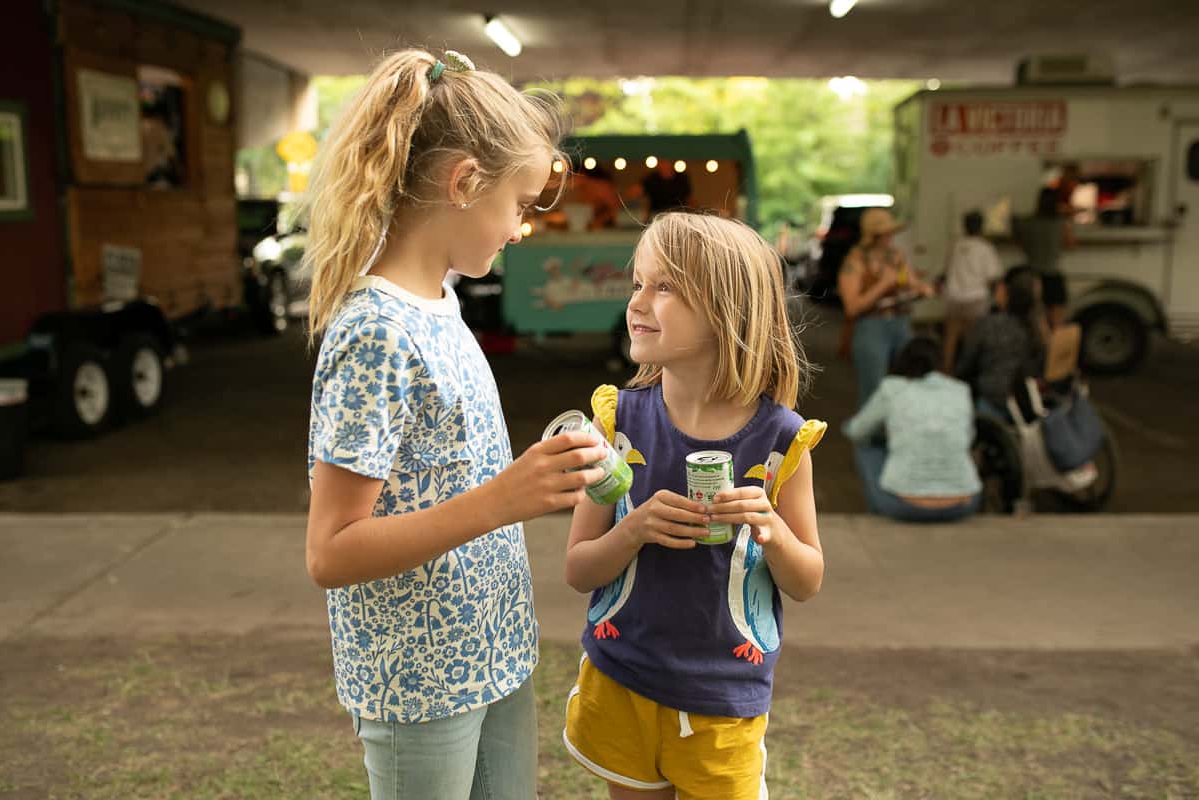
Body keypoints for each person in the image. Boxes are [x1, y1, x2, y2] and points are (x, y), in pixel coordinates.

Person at [302, 48, 612, 800]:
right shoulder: (376, 330)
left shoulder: (442, 302)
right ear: (464, 183)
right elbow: (331, 552)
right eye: (518, 205)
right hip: (420, 679)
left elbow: (444, 470)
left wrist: (540, 468)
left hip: (493, 647)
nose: (519, 230)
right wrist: (504, 498)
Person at [561, 212, 827, 800]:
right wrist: (632, 530)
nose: (637, 302)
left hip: (723, 700)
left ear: (726, 312)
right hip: (622, 681)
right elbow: (578, 569)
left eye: (664, 287)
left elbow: (807, 581)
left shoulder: (784, 443)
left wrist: (773, 531)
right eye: (637, 283)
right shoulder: (616, 425)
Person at [843, 337, 981, 522]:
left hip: (902, 506)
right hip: (963, 504)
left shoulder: (892, 388)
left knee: (865, 446)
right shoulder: (960, 390)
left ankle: (875, 511)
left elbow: (857, 431)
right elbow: (969, 437)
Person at [838, 207, 934, 408]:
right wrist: (883, 284)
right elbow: (852, 307)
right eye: (885, 233)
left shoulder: (895, 256)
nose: (890, 237)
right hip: (871, 327)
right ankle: (867, 438)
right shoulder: (855, 261)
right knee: (873, 391)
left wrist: (921, 288)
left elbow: (911, 281)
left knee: (909, 383)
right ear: (873, 235)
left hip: (900, 323)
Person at [956, 266, 1047, 419]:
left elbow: (965, 366)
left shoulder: (989, 325)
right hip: (1028, 404)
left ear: (1008, 293)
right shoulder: (1037, 328)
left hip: (993, 402)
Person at [941, 209, 1004, 371]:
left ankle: (946, 371)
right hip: (975, 298)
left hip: (953, 296)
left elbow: (946, 271)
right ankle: (969, 373)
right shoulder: (985, 248)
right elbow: (993, 276)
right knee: (973, 340)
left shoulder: (956, 245)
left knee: (950, 338)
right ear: (981, 227)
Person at [1013, 186, 1074, 329]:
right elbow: (1070, 244)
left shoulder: (1028, 222)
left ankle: (1037, 349)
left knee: (1035, 320)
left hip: (1032, 275)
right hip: (1053, 275)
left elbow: (1018, 240)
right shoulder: (1061, 223)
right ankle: (1053, 349)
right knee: (1056, 322)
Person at [625, 159, 693, 219]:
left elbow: (689, 199)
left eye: (667, 161)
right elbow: (634, 192)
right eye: (662, 162)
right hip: (656, 216)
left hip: (678, 216)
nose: (665, 164)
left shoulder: (681, 178)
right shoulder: (652, 178)